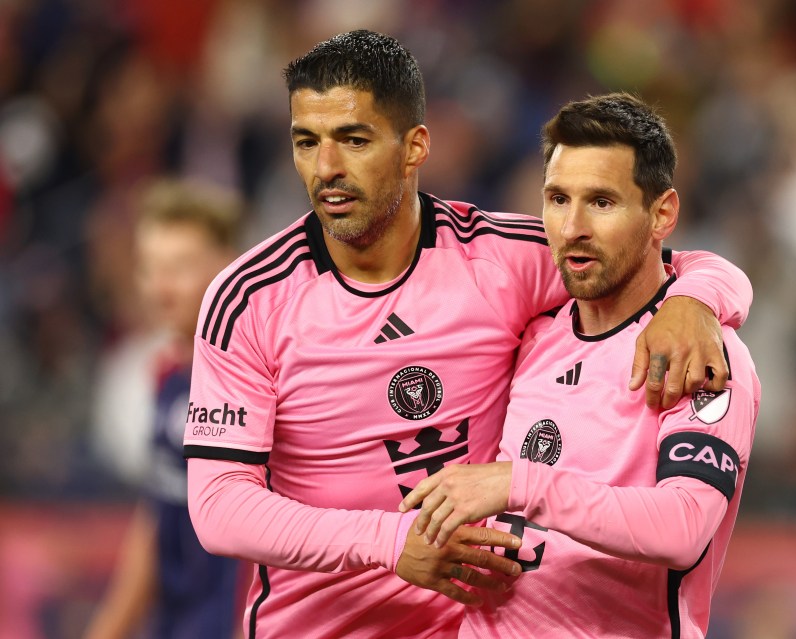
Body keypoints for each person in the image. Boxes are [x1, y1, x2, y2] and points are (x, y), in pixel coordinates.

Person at [184, 30, 753, 639]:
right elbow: (219, 508)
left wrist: (698, 298)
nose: (327, 169)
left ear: (414, 146)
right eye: (306, 142)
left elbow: (643, 259)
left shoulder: (504, 259)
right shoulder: (247, 300)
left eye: (354, 140)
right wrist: (391, 542)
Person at [399, 92, 761, 638]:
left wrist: (519, 484)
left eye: (602, 202)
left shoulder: (699, 351)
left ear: (661, 213)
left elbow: (683, 527)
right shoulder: (532, 333)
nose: (572, 227)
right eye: (557, 198)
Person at [85, 179, 246, 639]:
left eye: (180, 266)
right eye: (149, 268)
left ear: (228, 265)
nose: (160, 287)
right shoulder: (167, 374)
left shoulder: (254, 381)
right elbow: (156, 513)